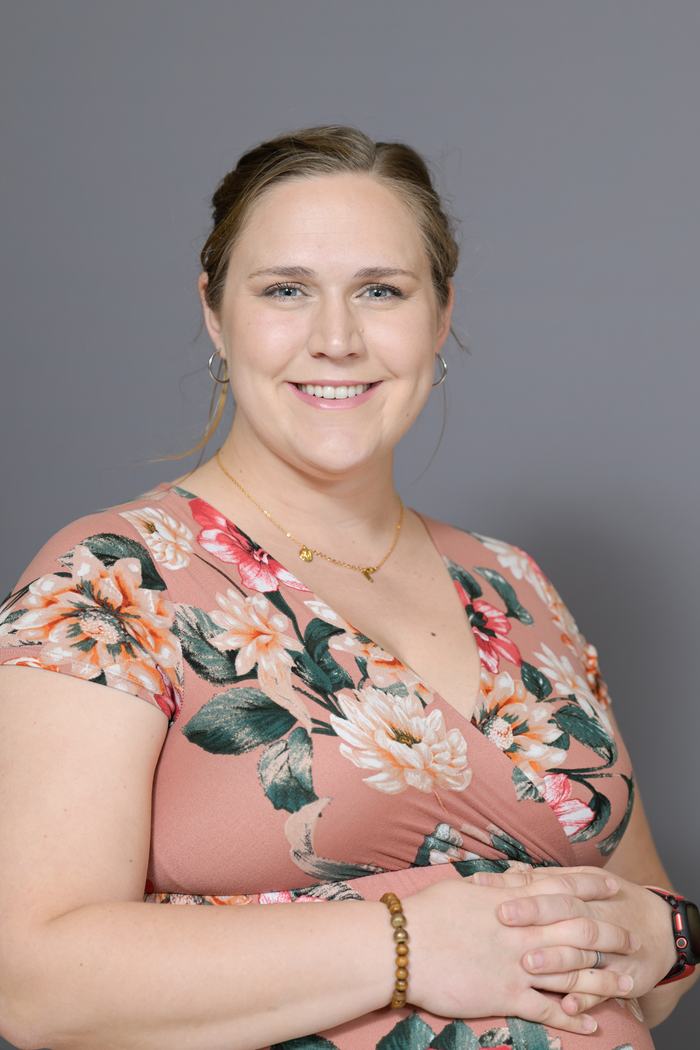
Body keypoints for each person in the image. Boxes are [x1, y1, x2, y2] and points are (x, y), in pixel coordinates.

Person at [0, 123, 696, 1050]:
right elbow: (33, 983)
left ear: (441, 316)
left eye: (381, 291)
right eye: (286, 291)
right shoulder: (113, 576)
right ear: (215, 313)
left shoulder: (517, 585)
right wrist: (405, 945)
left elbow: (649, 926)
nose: (336, 338)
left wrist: (662, 939)